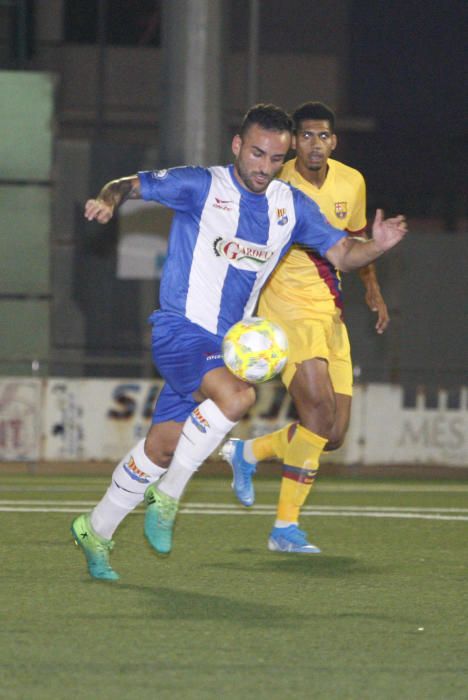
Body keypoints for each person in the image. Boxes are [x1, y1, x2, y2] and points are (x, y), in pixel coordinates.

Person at [71, 103, 407, 581]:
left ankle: (94, 528)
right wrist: (108, 199)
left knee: (163, 447)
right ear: (237, 146)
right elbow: (129, 183)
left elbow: (343, 253)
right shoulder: (202, 185)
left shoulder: (288, 207)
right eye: (256, 154)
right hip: (180, 328)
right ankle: (168, 498)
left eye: (275, 158)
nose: (264, 167)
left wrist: (377, 245)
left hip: (224, 344)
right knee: (239, 394)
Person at [221, 101, 390, 554]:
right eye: (307, 136)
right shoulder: (276, 182)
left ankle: (249, 452)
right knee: (316, 413)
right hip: (287, 309)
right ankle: (285, 528)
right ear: (293, 141)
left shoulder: (351, 181)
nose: (315, 144)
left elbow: (353, 241)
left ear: (334, 141)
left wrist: (371, 288)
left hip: (329, 311)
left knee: (332, 435)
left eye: (324, 136)